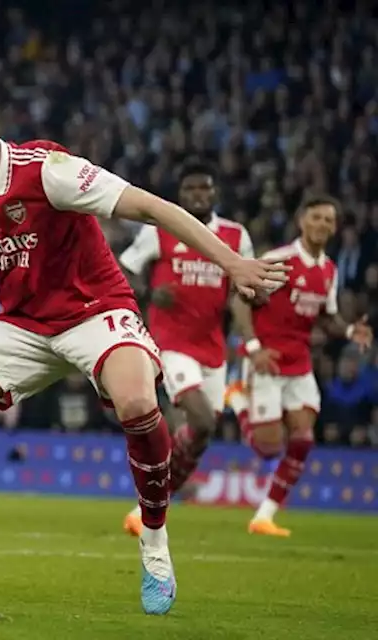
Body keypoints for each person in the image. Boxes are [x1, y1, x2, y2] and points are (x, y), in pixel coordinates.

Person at [0, 72, 287, 614]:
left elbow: (153, 208)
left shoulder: (49, 171)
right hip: (24, 325)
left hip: (95, 312)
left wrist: (232, 263)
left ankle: (155, 547)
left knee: (137, 404)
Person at [117, 162, 254, 536]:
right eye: (190, 188)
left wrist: (251, 336)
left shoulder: (234, 236)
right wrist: (147, 292)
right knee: (202, 418)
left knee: (203, 433)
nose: (198, 194)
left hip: (213, 348)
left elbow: (241, 293)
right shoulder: (159, 231)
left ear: (214, 193)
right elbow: (124, 269)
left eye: (204, 188)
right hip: (171, 343)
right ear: (180, 195)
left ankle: (148, 507)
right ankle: (153, 495)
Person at [228, 195, 372, 537]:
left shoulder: (329, 270)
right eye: (317, 217)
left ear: (335, 227)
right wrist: (253, 348)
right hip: (267, 361)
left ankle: (264, 516)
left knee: (304, 440)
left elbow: (328, 316)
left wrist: (350, 330)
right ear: (301, 221)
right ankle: (236, 397)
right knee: (267, 448)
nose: (323, 224)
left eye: (329, 220)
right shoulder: (281, 262)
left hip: (300, 363)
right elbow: (240, 301)